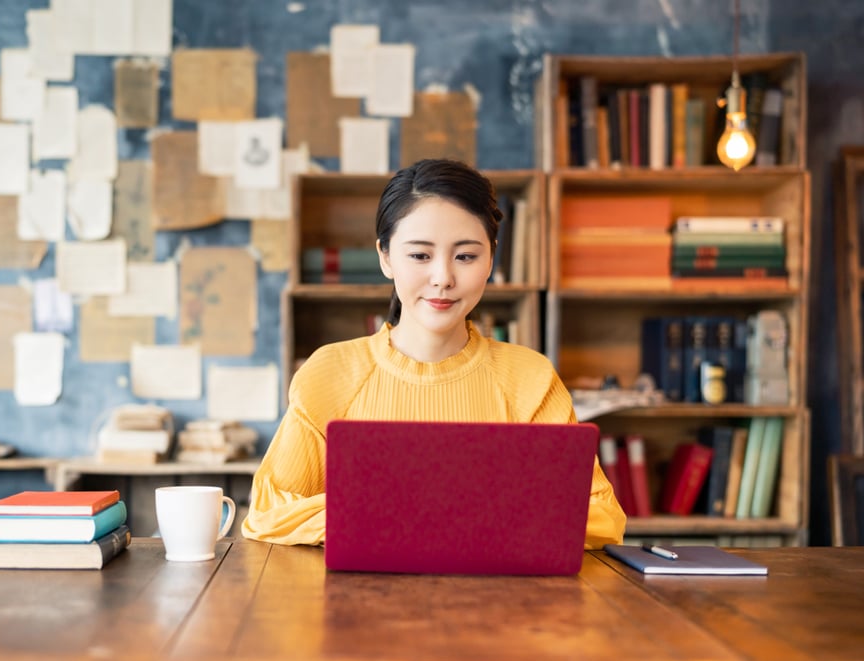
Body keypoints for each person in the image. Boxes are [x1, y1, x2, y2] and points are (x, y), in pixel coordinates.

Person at [241, 158, 626, 549]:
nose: (443, 277)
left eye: (465, 256)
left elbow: (600, 516)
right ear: (386, 257)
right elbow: (269, 511)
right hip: (357, 602)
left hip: (500, 603)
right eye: (420, 256)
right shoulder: (330, 372)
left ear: (491, 258)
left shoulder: (530, 378)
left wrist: (395, 516)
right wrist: (452, 516)